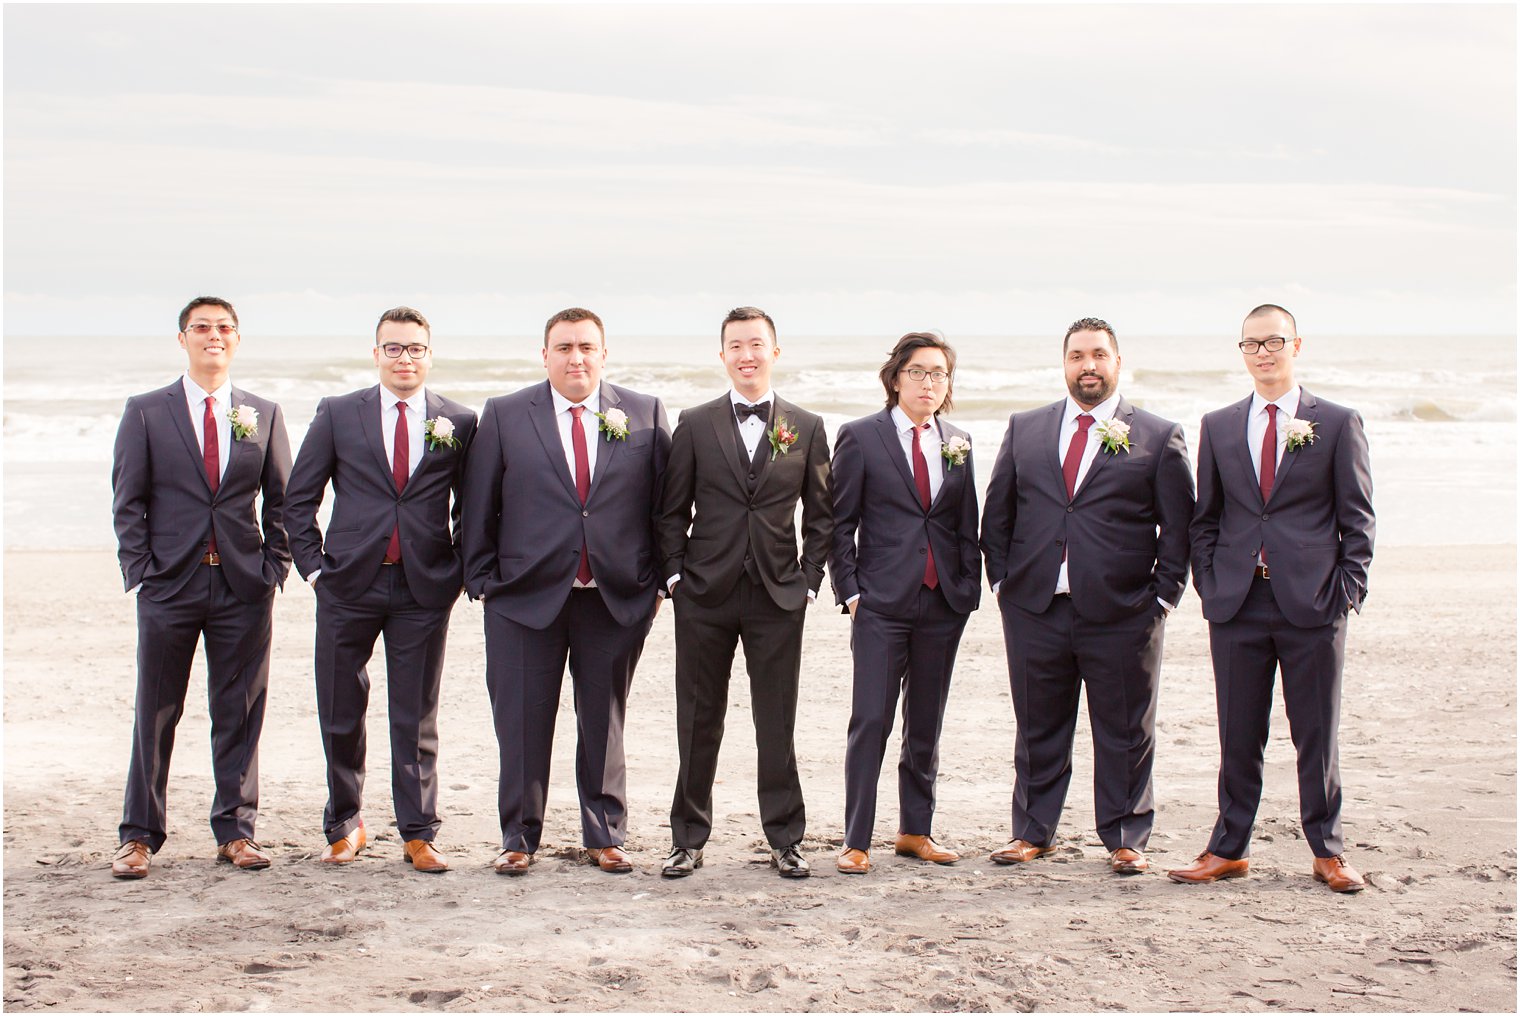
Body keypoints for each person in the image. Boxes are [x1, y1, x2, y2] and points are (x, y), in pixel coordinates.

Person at [1168, 304, 1374, 893]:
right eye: (1251, 344)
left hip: (1313, 602)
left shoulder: (1335, 422)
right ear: (1242, 352)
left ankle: (1327, 851)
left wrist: (1347, 591)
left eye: (1273, 342)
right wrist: (1209, 583)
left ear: (1296, 345)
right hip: (1237, 604)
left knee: (1316, 732)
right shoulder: (1221, 424)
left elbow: (1357, 518)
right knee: (1238, 732)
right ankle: (1228, 849)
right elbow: (1204, 518)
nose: (1262, 352)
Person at [980, 317, 1193, 875]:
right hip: (1035, 606)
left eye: (1099, 355)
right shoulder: (1025, 427)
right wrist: (1003, 583)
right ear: (1065, 364)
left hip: (1124, 610)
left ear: (1118, 363)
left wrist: (1164, 597)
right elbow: (997, 513)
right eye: (1077, 356)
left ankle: (1125, 836)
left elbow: (1180, 527)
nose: (1088, 365)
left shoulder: (1156, 434)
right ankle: (1032, 832)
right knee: (1038, 724)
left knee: (1125, 728)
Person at [462, 308, 671, 876]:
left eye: (586, 347)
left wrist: (657, 581)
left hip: (613, 595)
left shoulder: (645, 413)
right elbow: (479, 503)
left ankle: (605, 835)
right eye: (563, 347)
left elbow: (664, 506)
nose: (575, 357)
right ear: (544, 355)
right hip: (523, 598)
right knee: (522, 721)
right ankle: (519, 837)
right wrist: (481, 580)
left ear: (604, 353)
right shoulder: (506, 415)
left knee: (603, 720)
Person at [285, 307, 477, 873]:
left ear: (429, 355)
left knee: (415, 715)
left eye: (415, 348)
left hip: (424, 587)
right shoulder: (339, 414)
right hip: (347, 584)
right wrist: (316, 569)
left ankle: (418, 832)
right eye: (393, 348)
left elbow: (472, 506)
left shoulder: (459, 422)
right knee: (341, 708)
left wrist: (458, 570)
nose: (404, 358)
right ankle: (345, 824)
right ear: (376, 355)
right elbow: (300, 498)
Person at [109, 297, 292, 878]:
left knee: (238, 711)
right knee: (156, 710)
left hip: (243, 584)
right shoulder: (146, 411)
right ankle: (139, 836)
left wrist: (273, 567)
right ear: (183, 338)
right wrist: (142, 571)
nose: (214, 336)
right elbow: (127, 501)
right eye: (202, 328)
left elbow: (283, 502)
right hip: (170, 585)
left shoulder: (263, 412)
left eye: (224, 328)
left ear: (237, 339)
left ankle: (236, 832)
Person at [656, 306, 833, 879]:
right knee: (698, 718)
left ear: (774, 353)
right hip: (704, 593)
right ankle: (687, 838)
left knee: (775, 721)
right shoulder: (695, 422)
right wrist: (677, 576)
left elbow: (822, 514)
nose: (746, 354)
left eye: (756, 344)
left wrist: (809, 580)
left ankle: (785, 838)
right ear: (723, 355)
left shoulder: (805, 427)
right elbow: (670, 510)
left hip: (779, 596)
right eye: (735, 345)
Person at [829, 332, 982, 875]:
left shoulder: (958, 439)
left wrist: (967, 589)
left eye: (939, 373)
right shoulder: (861, 437)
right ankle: (856, 839)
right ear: (895, 378)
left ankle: (915, 830)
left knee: (926, 723)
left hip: (942, 604)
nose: (929, 383)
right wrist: (851, 594)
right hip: (881, 605)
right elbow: (838, 523)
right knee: (871, 719)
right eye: (918, 372)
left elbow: (967, 526)